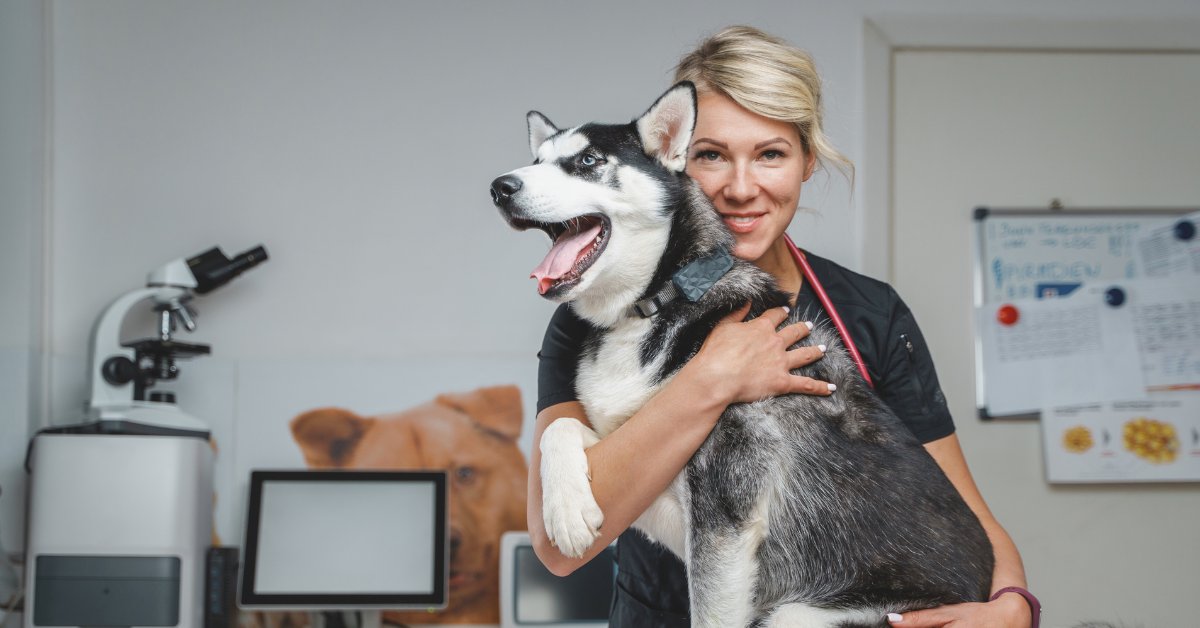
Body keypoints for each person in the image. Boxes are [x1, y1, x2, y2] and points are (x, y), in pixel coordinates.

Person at [529, 25, 1035, 628]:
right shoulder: (595, 320)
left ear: (806, 163)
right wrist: (711, 380)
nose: (742, 189)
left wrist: (1013, 611)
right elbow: (561, 548)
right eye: (710, 155)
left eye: (771, 154)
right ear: (671, 159)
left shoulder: (869, 313)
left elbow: (961, 516)